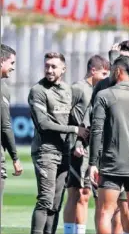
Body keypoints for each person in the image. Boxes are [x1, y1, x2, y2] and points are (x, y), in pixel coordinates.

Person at [89, 55, 129, 234]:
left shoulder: (104, 95)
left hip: (112, 164)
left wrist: (93, 163)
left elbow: (96, 131)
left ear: (118, 71)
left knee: (105, 212)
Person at [28, 52, 89, 234]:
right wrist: (74, 130)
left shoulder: (67, 90)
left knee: (55, 203)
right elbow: (43, 124)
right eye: (47, 66)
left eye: (54, 66)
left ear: (63, 69)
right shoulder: (38, 91)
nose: (49, 70)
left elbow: (74, 118)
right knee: (45, 200)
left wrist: (79, 140)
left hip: (64, 152)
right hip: (45, 151)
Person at [63, 55, 110, 234]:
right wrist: (74, 140)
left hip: (92, 148)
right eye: (104, 72)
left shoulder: (100, 90)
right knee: (77, 193)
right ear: (93, 70)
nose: (107, 76)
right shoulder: (78, 88)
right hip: (77, 148)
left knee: (88, 194)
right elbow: (65, 115)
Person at [0, 44, 23, 221]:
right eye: (11, 62)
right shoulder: (2, 89)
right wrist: (15, 158)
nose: (13, 67)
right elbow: (6, 126)